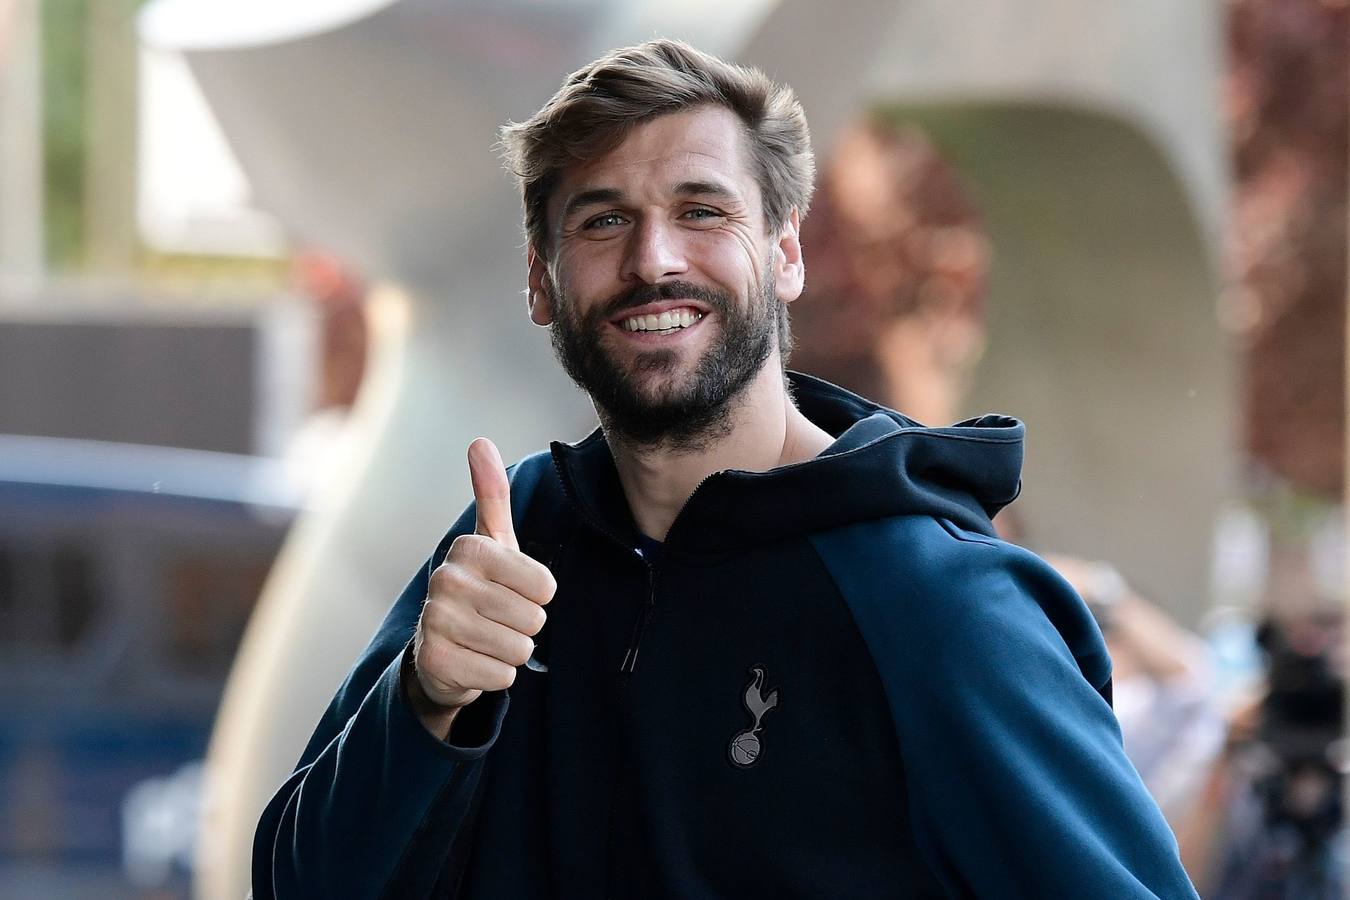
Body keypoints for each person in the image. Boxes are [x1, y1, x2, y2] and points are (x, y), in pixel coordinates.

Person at [252, 40, 1199, 898]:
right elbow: (298, 886)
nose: (652, 259)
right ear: (541, 281)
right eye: (601, 221)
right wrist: (423, 703)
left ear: (783, 251)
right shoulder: (512, 544)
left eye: (701, 210)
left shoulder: (936, 605)